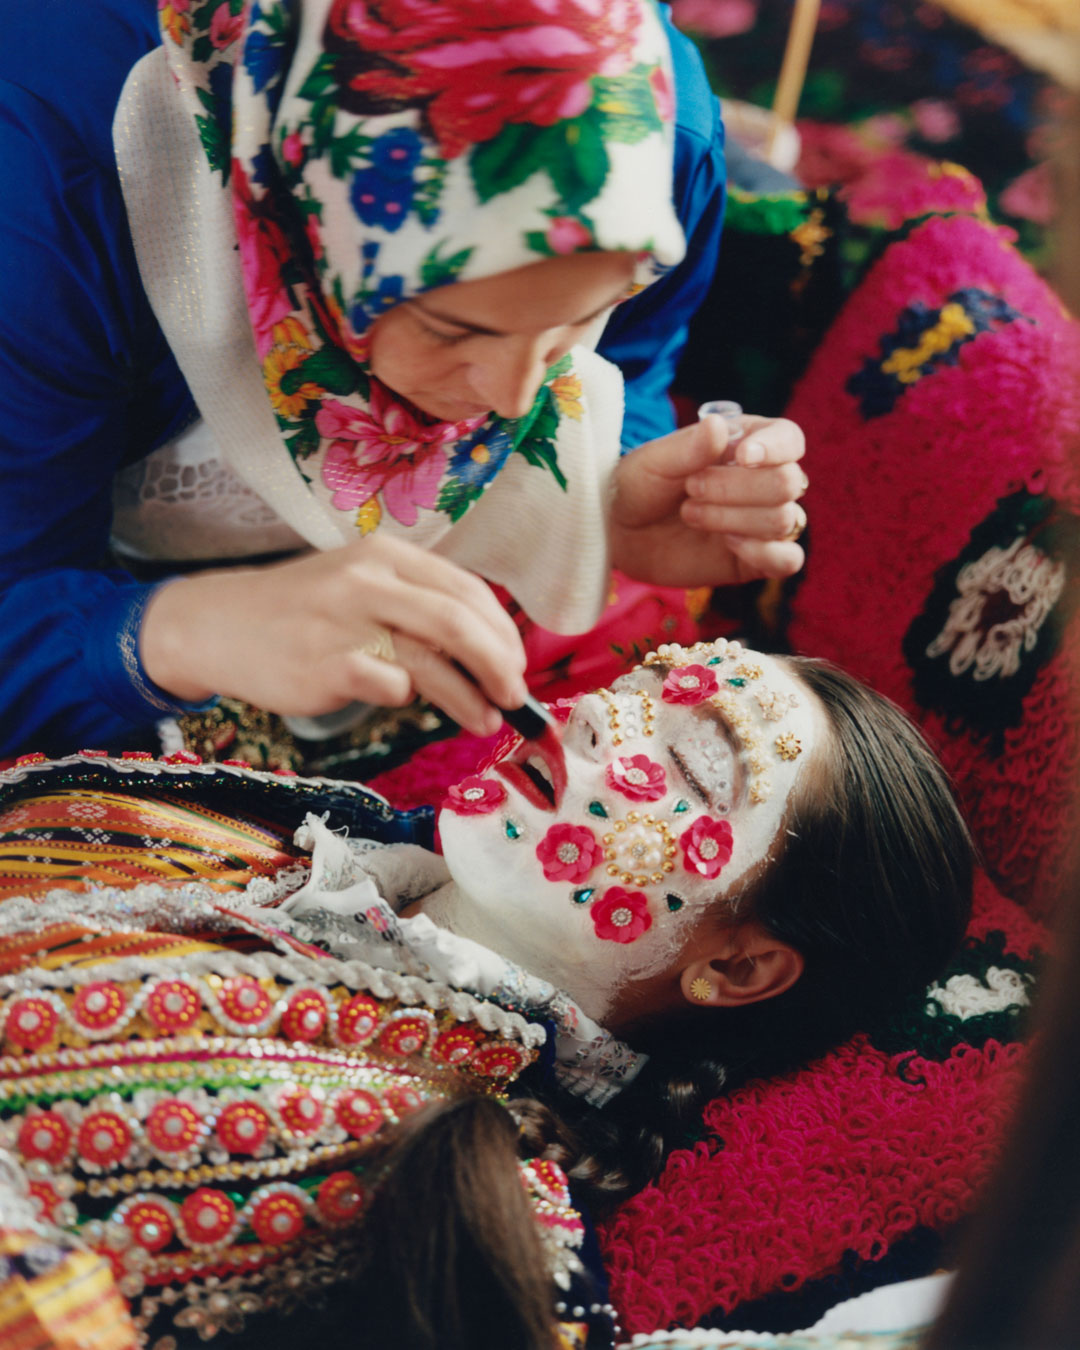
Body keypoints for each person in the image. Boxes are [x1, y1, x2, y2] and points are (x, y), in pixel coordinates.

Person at [0, 636, 973, 1348]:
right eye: (632, 686)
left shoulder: (484, 1225)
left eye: (689, 764)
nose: (591, 714)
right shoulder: (291, 828)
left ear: (735, 969)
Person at [0, 0, 809, 759]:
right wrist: (174, 634)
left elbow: (635, 356)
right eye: (454, 330)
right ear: (303, 213)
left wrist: (604, 489)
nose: (515, 401)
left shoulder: (654, 134)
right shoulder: (57, 192)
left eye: (576, 321)